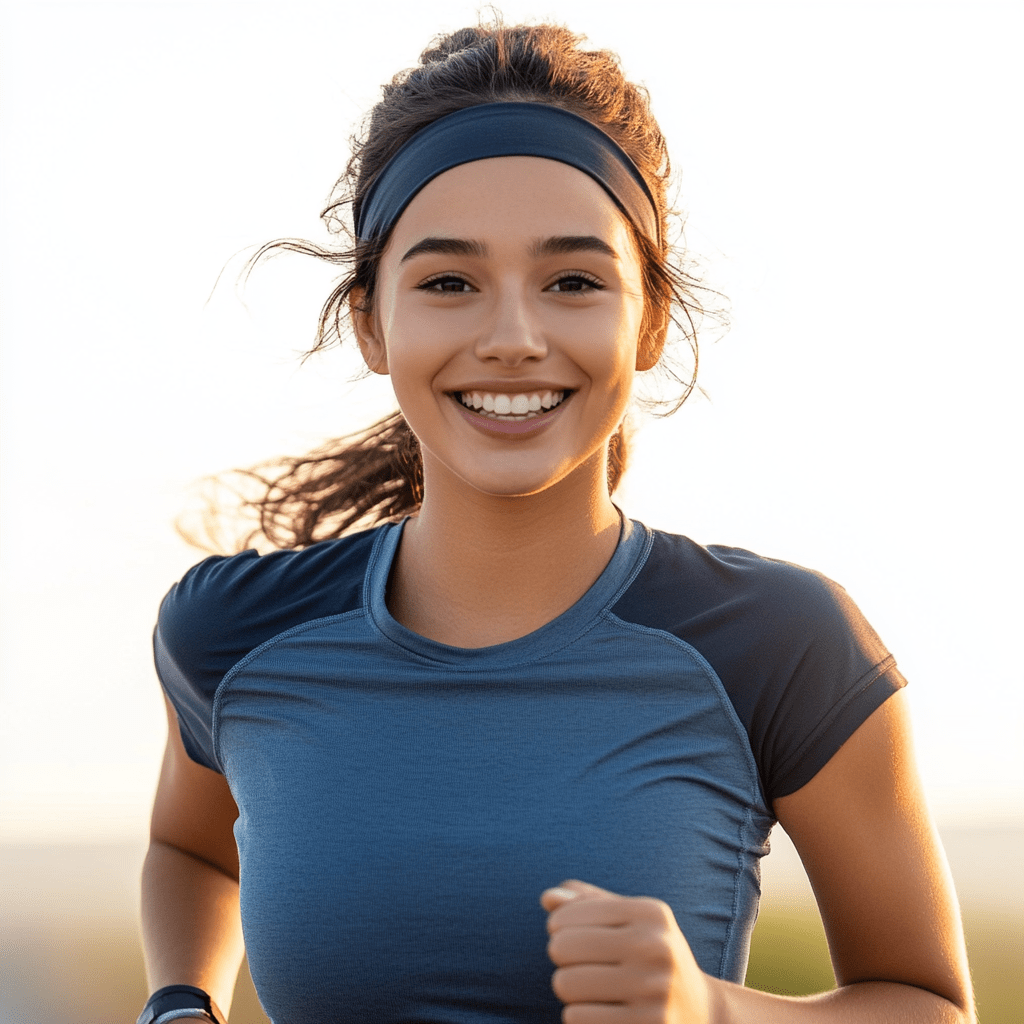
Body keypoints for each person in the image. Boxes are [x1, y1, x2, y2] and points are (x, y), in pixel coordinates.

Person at [138, 21, 975, 1024]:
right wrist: (179, 1001)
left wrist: (716, 1011)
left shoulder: (780, 642)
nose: (513, 338)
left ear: (649, 319)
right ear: (369, 323)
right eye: (448, 283)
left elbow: (928, 1004)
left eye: (573, 281)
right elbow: (190, 848)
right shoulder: (233, 634)